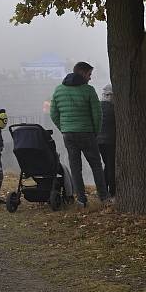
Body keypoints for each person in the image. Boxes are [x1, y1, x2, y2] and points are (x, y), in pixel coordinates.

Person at [50, 62, 109, 206]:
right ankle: (103, 197)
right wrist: (95, 131)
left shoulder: (58, 90)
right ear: (82, 73)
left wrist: (64, 128)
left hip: (68, 134)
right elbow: (97, 114)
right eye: (89, 74)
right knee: (96, 164)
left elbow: (53, 113)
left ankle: (81, 200)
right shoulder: (88, 90)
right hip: (87, 132)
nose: (90, 78)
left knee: (75, 167)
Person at [98, 84, 116, 197]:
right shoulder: (114, 108)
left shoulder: (98, 107)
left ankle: (103, 190)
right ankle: (112, 192)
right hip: (110, 141)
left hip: (98, 141)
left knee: (107, 165)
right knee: (111, 166)